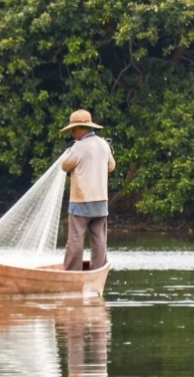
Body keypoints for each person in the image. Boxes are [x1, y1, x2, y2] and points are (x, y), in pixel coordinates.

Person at [59, 109, 114, 271]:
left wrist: (71, 150)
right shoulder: (104, 144)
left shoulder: (79, 146)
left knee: (75, 239)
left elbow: (65, 166)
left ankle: (72, 273)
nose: (72, 134)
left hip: (81, 200)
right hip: (101, 201)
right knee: (99, 239)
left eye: (73, 130)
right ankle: (98, 270)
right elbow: (111, 167)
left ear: (80, 129)